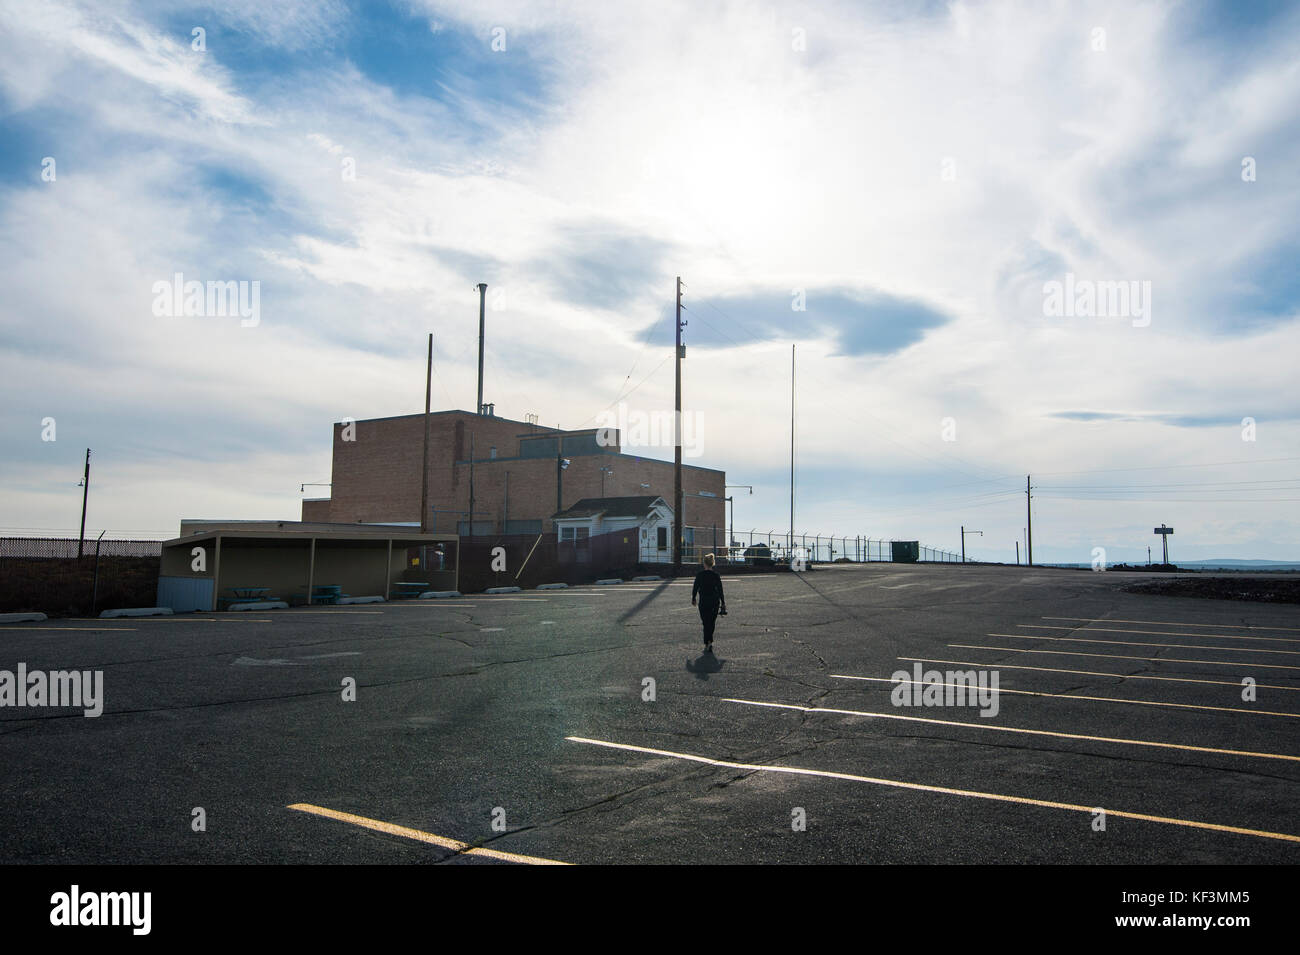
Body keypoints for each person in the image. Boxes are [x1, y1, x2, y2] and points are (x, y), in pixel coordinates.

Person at [691, 553, 727, 652]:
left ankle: (707, 641)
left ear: (704, 564)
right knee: (711, 622)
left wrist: (693, 598)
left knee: (705, 622)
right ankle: (709, 641)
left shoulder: (700, 575)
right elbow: (720, 590)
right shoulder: (716, 576)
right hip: (714, 602)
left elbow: (695, 587)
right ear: (713, 563)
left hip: (703, 601)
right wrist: (723, 602)